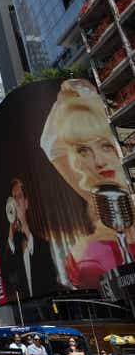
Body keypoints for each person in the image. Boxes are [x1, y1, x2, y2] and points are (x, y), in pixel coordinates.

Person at [41, 79, 135, 289]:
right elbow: (50, 145)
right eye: (83, 150)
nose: (99, 161)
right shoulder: (89, 258)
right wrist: (65, 98)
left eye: (105, 146)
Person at [5, 179, 58, 298]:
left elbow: (51, 279)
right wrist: (11, 221)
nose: (15, 203)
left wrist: (24, 223)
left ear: (26, 203)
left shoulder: (43, 244)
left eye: (18, 197)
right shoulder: (14, 244)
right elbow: (8, 268)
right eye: (13, 198)